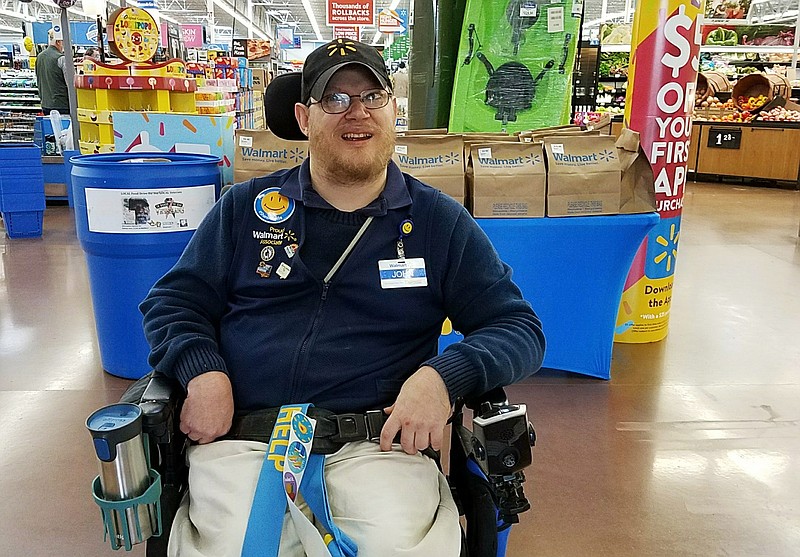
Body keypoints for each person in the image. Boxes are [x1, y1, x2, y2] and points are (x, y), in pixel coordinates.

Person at [140, 38, 545, 557]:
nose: (357, 113)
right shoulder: (247, 208)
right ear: (304, 118)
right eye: (334, 99)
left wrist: (444, 377)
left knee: (396, 547)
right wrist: (202, 369)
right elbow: (174, 302)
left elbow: (518, 327)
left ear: (394, 110)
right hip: (245, 438)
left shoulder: (438, 223)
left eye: (372, 96)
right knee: (232, 547)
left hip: (379, 445)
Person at [35, 29, 70, 116]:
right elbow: (70, 83)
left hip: (45, 104)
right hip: (62, 106)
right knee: (64, 129)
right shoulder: (61, 58)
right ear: (58, 42)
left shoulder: (39, 57)